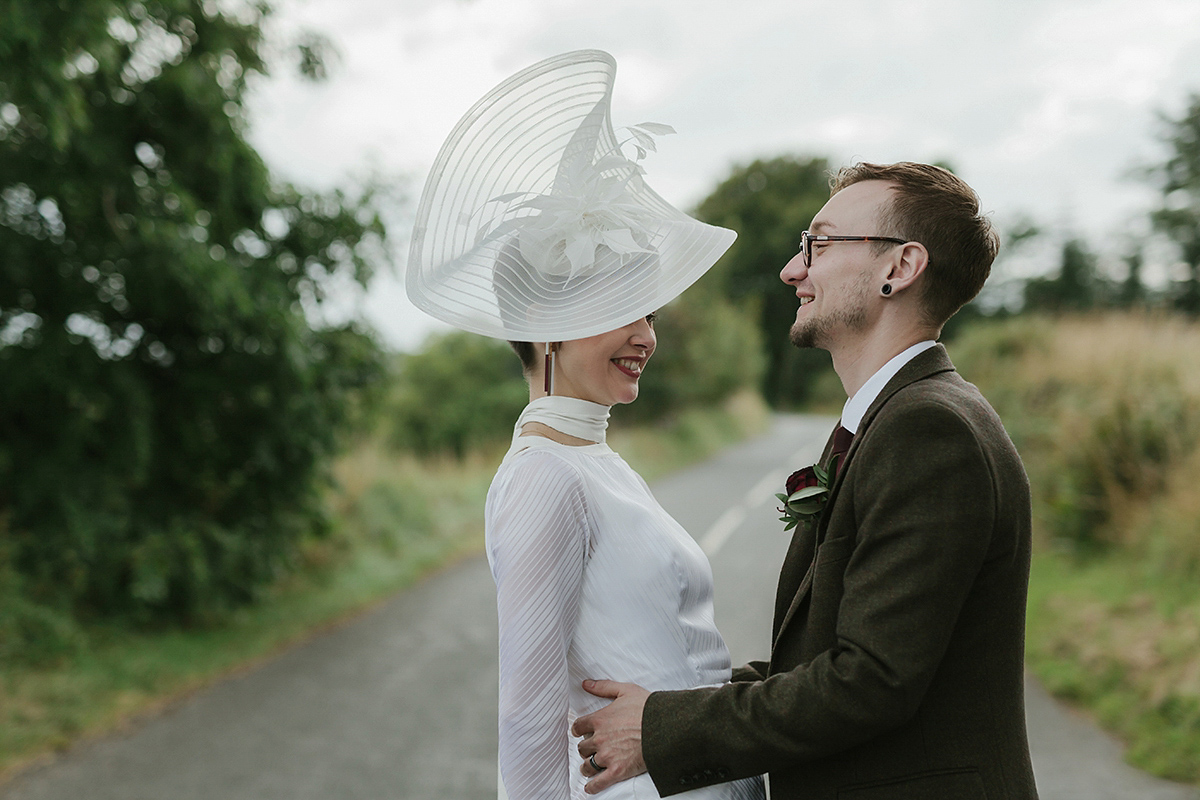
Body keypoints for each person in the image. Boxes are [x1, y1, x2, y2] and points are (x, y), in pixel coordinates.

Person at [573, 162, 1039, 800]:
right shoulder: (897, 417)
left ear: (898, 268)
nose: (793, 269)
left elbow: (869, 680)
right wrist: (665, 701)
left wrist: (659, 729)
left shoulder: (931, 431)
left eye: (818, 244)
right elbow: (824, 662)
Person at [404, 50, 765, 800]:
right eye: (616, 311)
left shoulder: (598, 461)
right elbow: (529, 718)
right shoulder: (544, 478)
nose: (646, 336)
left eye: (650, 310)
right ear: (543, 322)